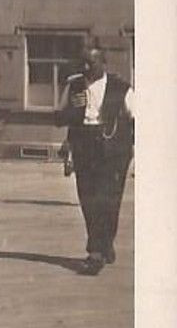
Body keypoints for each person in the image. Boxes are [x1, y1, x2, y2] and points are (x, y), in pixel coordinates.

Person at [54, 47, 135, 275]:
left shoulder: (121, 88)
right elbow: (58, 118)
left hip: (113, 150)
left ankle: (99, 249)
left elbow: (137, 119)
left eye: (91, 63)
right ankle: (99, 249)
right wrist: (73, 110)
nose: (86, 68)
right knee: (88, 198)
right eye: (83, 63)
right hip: (84, 146)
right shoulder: (74, 86)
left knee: (109, 201)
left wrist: (135, 149)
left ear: (104, 64)